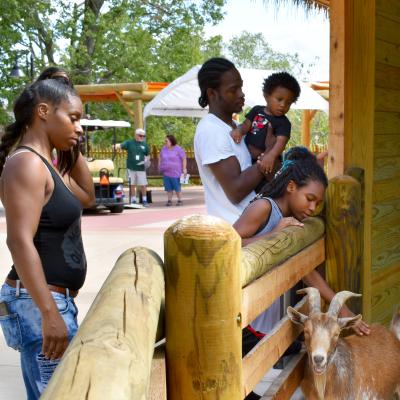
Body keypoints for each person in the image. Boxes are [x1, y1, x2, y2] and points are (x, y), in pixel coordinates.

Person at [0, 79, 95, 400]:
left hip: (50, 302)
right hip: (38, 304)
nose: (79, 126)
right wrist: (48, 314)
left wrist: (71, 141)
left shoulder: (46, 164)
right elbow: (18, 241)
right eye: (73, 117)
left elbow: (87, 197)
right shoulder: (26, 163)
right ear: (43, 112)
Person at [233, 147, 370, 359]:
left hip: (263, 316)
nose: (313, 207)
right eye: (309, 198)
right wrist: (275, 236)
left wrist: (342, 310)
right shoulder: (264, 208)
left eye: (318, 203)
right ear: (290, 187)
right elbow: (228, 244)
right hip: (242, 313)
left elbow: (305, 270)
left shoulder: (294, 220)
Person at [194, 57, 268, 224]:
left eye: (240, 87)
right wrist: (268, 158)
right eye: (233, 89)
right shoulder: (210, 130)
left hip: (253, 225)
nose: (241, 94)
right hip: (235, 232)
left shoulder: (234, 127)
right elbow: (236, 190)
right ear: (212, 93)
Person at [231, 72, 300, 182]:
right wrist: (239, 130)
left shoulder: (284, 123)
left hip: (267, 162)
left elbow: (280, 143)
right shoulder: (256, 110)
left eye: (288, 103)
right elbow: (246, 125)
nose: (283, 105)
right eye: (279, 99)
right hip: (246, 160)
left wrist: (271, 156)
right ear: (266, 96)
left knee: (262, 186)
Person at [114, 128, 150, 206]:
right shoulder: (130, 143)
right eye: (140, 136)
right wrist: (116, 145)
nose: (142, 137)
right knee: (132, 184)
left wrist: (147, 161)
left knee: (143, 184)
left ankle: (144, 200)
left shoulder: (145, 145)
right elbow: (121, 145)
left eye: (143, 136)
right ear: (136, 135)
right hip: (131, 168)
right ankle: (133, 200)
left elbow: (148, 155)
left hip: (141, 169)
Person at [159, 134, 187, 206]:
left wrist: (184, 168)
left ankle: (180, 200)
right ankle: (169, 200)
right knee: (168, 187)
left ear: (171, 141)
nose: (165, 142)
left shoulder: (178, 149)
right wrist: (159, 165)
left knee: (177, 186)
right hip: (166, 171)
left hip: (176, 172)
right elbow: (160, 157)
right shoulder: (164, 149)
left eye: (166, 141)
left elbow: (184, 158)